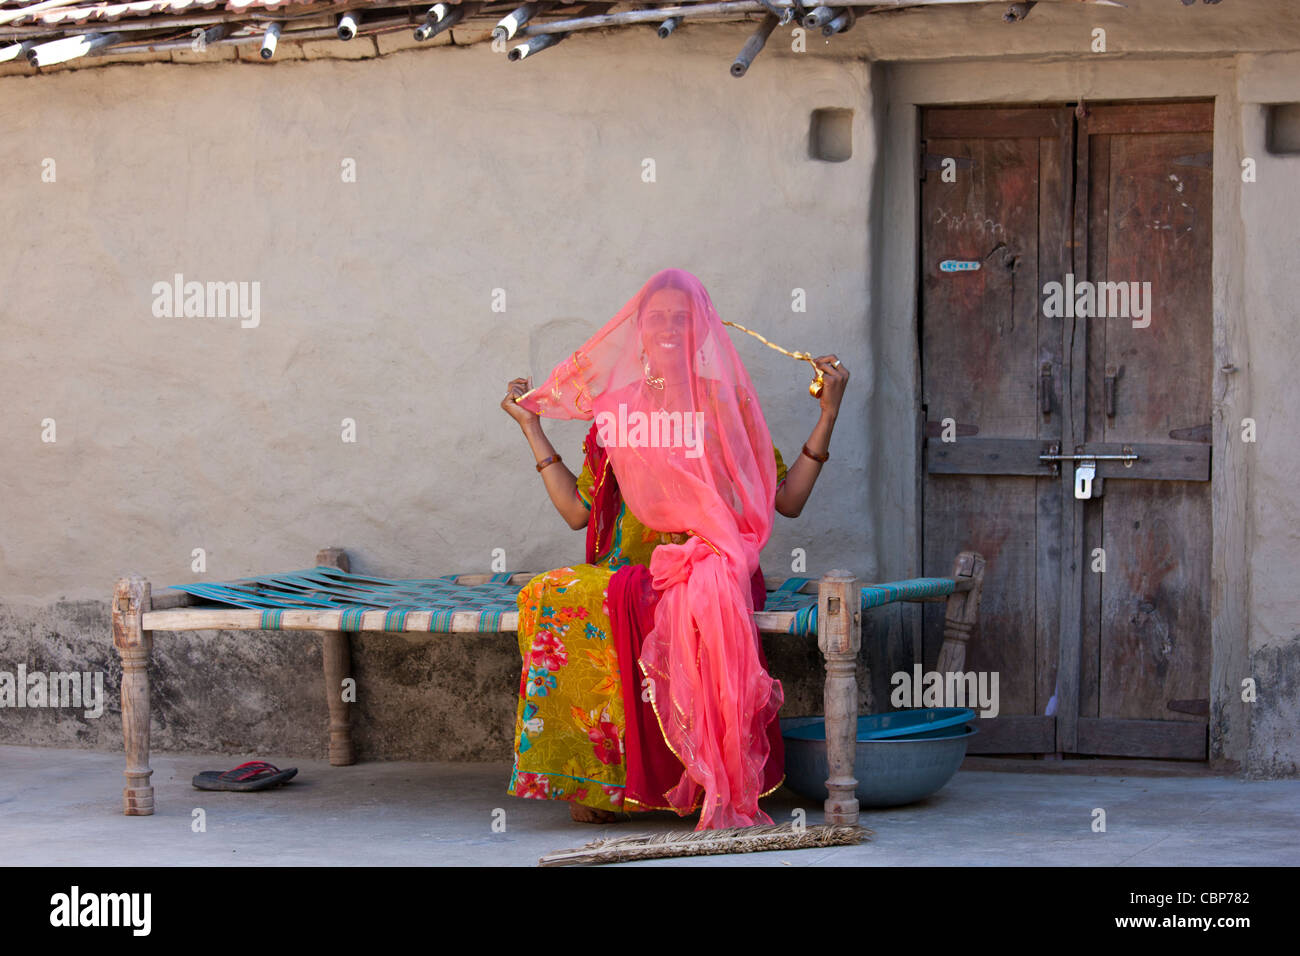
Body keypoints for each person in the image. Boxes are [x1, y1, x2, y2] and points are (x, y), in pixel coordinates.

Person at [499, 268, 847, 828]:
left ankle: (699, 782)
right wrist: (532, 427)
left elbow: (786, 501)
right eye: (656, 318)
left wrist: (828, 413)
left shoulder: (725, 406)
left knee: (683, 603)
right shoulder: (618, 412)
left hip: (713, 567)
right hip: (631, 571)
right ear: (638, 331)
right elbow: (578, 513)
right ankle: (607, 786)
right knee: (555, 596)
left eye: (681, 319)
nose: (668, 328)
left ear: (703, 332)